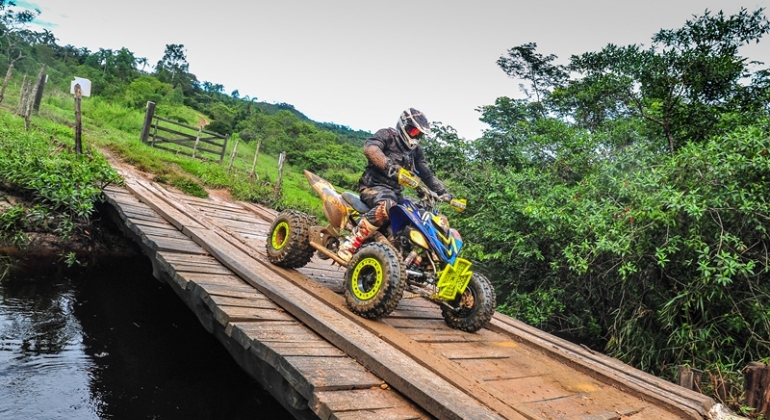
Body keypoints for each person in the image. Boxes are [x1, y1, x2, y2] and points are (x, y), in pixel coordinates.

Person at [337, 108, 452, 262]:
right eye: (413, 131)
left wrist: (444, 192)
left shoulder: (416, 151)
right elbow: (371, 149)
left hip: (395, 193)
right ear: (403, 126)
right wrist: (389, 165)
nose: (415, 136)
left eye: (419, 134)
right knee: (389, 205)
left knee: (421, 212)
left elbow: (426, 173)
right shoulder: (387, 135)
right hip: (373, 187)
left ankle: (415, 258)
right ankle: (351, 242)